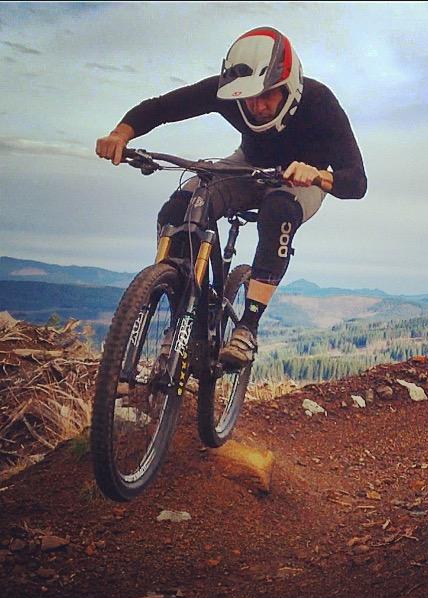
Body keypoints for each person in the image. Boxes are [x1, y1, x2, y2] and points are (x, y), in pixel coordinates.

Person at [95, 26, 367, 369]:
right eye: (248, 97)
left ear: (290, 86)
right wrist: (121, 133)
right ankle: (183, 308)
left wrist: (319, 175)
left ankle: (247, 328)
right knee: (180, 207)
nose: (256, 106)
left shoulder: (319, 102)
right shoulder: (229, 92)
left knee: (279, 209)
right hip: (248, 166)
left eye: (267, 95)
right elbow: (162, 108)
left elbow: (357, 180)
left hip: (302, 180)